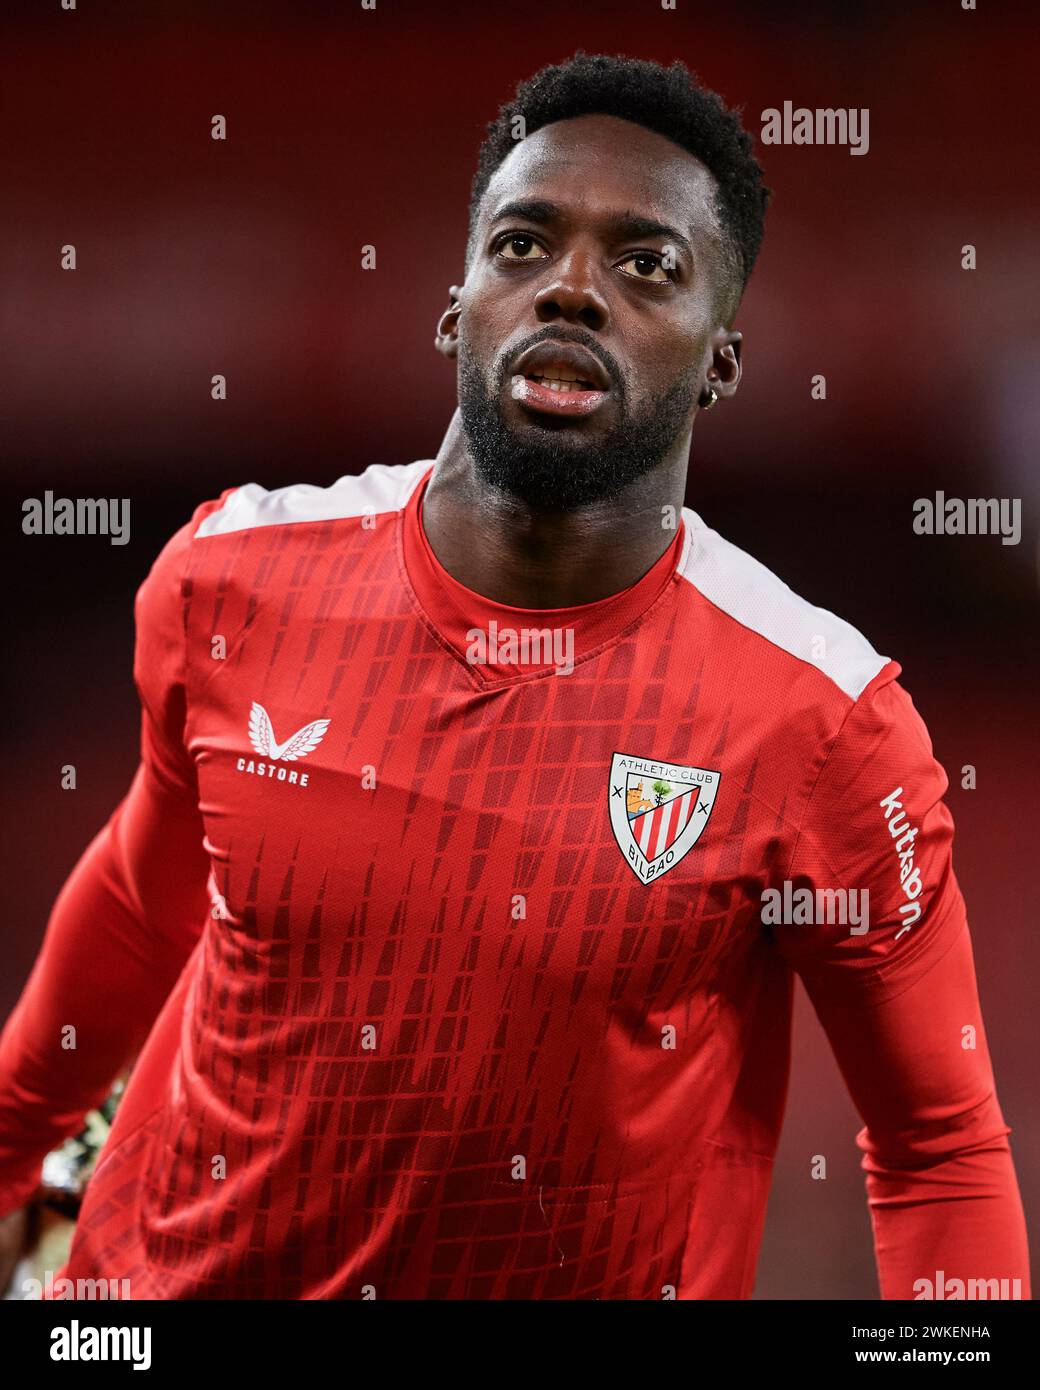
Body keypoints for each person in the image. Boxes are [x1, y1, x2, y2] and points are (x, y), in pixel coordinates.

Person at [0, 51, 1029, 1300]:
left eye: (645, 265)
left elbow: (935, 1150)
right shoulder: (230, 578)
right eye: (523, 245)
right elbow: (140, 902)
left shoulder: (824, 724)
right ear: (455, 307)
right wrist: (12, 1161)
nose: (571, 293)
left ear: (721, 362)